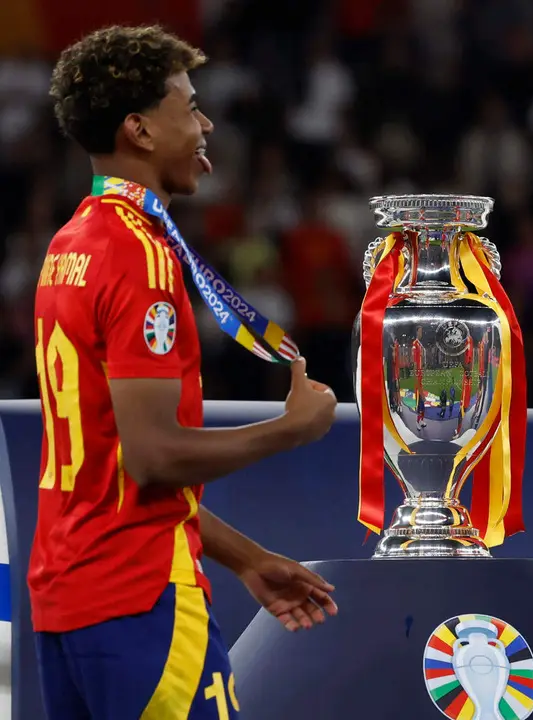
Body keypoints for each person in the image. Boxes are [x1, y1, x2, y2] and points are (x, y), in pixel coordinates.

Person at [32, 25, 340, 719]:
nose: (204, 125)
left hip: (70, 599)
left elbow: (112, 465)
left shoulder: (72, 242)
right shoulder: (138, 255)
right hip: (140, 600)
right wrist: (289, 429)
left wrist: (245, 558)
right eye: (188, 107)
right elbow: (153, 457)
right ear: (140, 130)